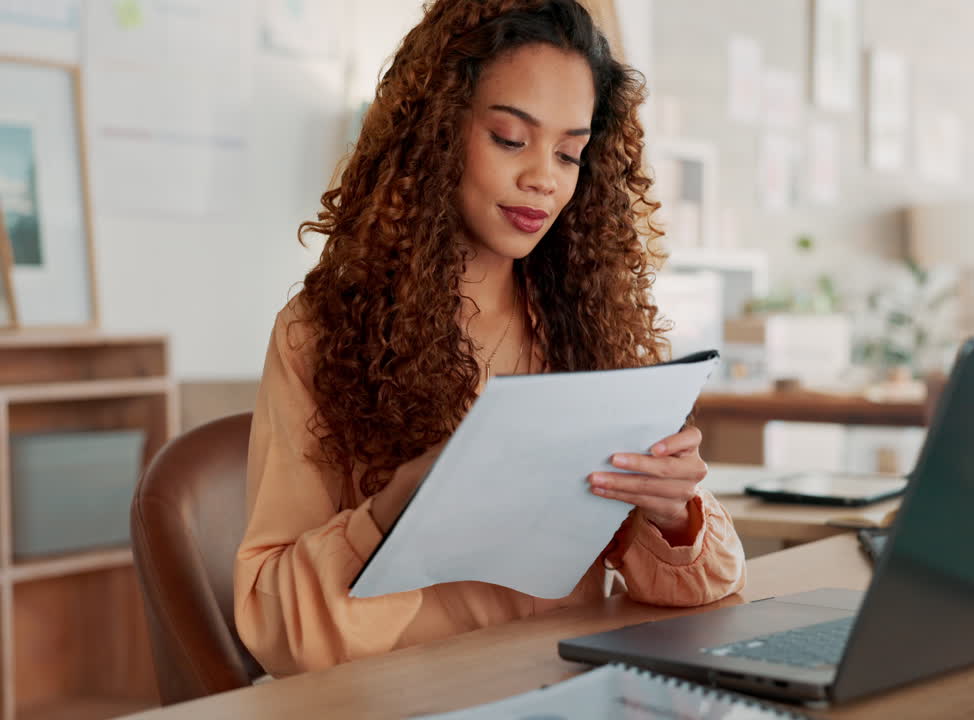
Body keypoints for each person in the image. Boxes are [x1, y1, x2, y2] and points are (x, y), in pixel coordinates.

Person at [233, 0, 746, 677]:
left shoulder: (587, 327)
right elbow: (273, 625)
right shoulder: (318, 333)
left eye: (570, 153)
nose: (544, 177)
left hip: (567, 685)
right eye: (510, 138)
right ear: (437, 133)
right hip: (407, 697)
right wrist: (394, 508)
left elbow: (704, 589)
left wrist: (673, 513)